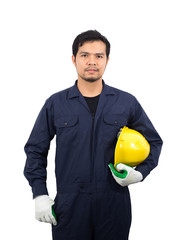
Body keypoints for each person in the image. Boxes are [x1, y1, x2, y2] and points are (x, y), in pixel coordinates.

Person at [24, 30, 163, 240]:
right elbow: (35, 149)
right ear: (73, 59)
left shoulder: (126, 102)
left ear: (107, 60)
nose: (92, 61)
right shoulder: (55, 103)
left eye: (99, 56)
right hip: (70, 204)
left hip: (114, 203)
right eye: (84, 55)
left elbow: (154, 141)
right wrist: (40, 193)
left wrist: (140, 173)